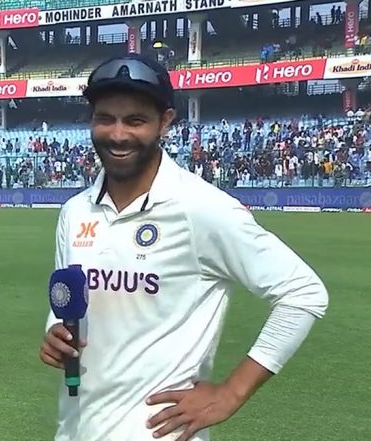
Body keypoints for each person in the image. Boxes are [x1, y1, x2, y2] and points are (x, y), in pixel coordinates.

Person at [38, 54, 329, 441]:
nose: (118, 133)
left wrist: (231, 392)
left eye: (135, 120)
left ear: (165, 122)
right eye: (105, 118)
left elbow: (304, 292)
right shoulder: (75, 212)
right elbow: (70, 303)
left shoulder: (201, 208)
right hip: (76, 429)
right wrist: (55, 332)